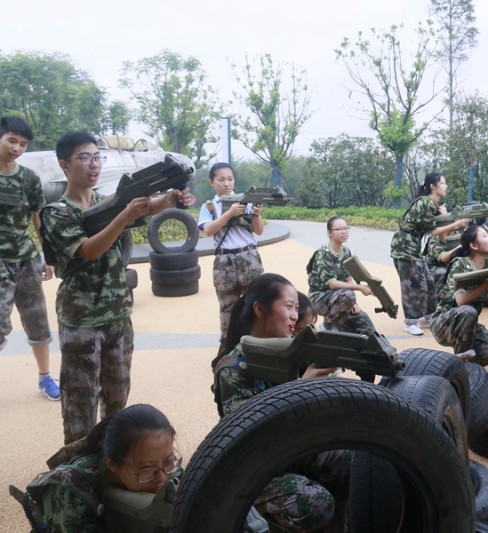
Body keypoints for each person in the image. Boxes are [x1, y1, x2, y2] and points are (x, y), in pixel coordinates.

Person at [40, 131, 194, 445]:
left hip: (118, 316)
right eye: (84, 158)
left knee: (116, 402)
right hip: (81, 320)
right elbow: (88, 250)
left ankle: (111, 464)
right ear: (64, 165)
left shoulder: (106, 202)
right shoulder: (56, 212)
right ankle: (76, 476)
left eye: (97, 157)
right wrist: (124, 215)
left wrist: (172, 198)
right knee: (80, 406)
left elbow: (149, 207)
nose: (93, 165)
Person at [213, 273, 351, 532]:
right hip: (254, 468)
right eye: (288, 307)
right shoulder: (233, 367)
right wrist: (300, 388)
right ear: (260, 310)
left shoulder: (292, 353)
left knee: (358, 462)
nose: (295, 317)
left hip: (293, 450)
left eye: (297, 309)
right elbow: (250, 438)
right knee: (316, 504)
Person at [25, 404, 181, 532]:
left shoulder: (163, 470)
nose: (162, 478)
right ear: (113, 464)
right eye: (147, 469)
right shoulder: (72, 489)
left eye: (168, 461)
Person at [0, 116, 59, 400]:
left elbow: (38, 219)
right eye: (12, 141)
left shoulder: (28, 178)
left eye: (22, 144)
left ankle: (45, 378)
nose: (17, 148)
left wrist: (47, 256)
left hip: (26, 258)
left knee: (38, 321)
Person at [390, 172, 470, 336]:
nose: (446, 186)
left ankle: (427, 316)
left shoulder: (433, 205)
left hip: (414, 248)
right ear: (432, 186)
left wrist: (444, 216)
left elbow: (442, 237)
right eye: (442, 183)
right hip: (404, 248)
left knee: (428, 283)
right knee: (412, 286)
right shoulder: (425, 203)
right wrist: (455, 223)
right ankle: (411, 322)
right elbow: (433, 231)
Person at [430, 225, 488, 366]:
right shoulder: (459, 264)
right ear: (474, 245)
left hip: (468, 322)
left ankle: (467, 363)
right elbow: (461, 301)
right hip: (444, 323)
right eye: (484, 236)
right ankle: (461, 367)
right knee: (468, 311)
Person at [197, 162, 265, 349]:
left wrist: (256, 215)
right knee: (228, 308)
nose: (226, 183)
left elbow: (259, 231)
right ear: (212, 182)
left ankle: (259, 346)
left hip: (249, 257)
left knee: (258, 304)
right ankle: (228, 349)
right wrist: (229, 213)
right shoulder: (210, 207)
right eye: (221, 179)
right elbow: (208, 230)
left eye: (230, 179)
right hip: (224, 262)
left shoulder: (246, 202)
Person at [307, 216, 376, 335]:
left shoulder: (346, 251)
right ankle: (328, 327)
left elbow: (348, 277)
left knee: (367, 328)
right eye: (338, 229)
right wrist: (360, 288)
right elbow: (332, 284)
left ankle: (340, 326)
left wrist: (354, 303)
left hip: (341, 298)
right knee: (347, 295)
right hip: (319, 298)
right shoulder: (322, 254)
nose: (344, 232)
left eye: (346, 228)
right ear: (329, 233)